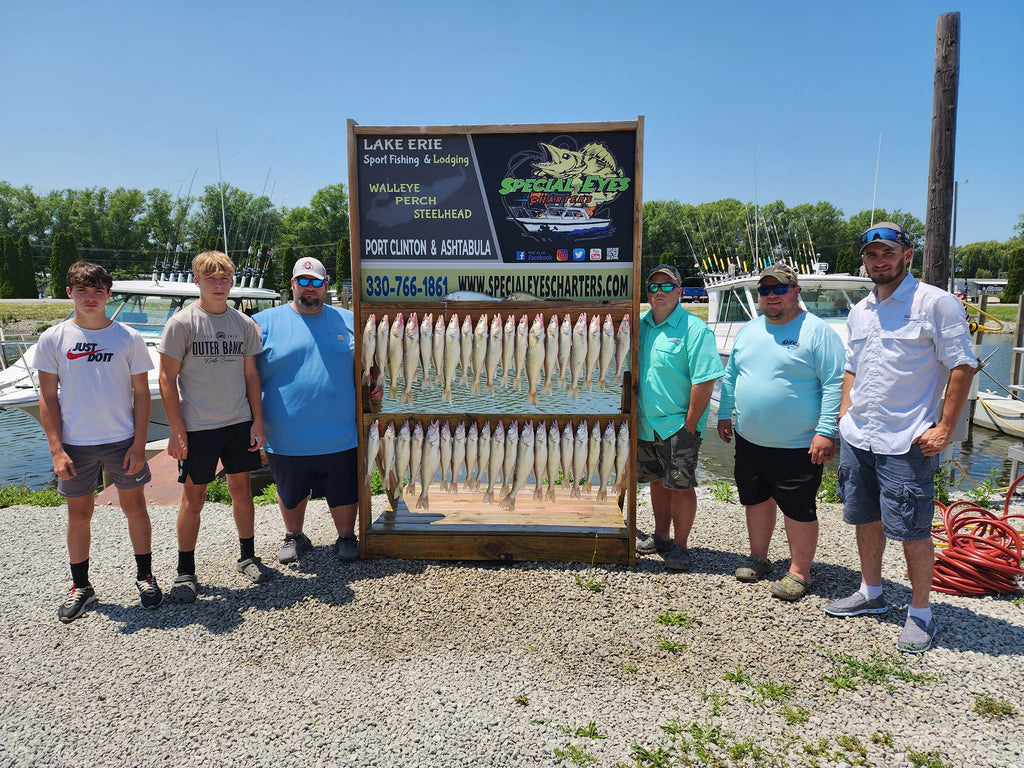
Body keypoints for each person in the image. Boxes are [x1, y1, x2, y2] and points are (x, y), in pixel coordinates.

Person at [825, 222, 976, 653]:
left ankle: (921, 613)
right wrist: (843, 415)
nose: (879, 260)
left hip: (907, 438)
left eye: (887, 253)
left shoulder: (936, 303)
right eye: (872, 254)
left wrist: (945, 428)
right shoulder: (861, 310)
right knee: (865, 518)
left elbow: (962, 365)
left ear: (907, 255)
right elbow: (852, 367)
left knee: (912, 529)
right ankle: (871, 592)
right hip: (861, 436)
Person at [36, 261, 161, 621]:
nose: (90, 298)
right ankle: (81, 587)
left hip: (122, 441)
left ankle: (145, 576)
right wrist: (56, 449)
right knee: (79, 515)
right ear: (69, 293)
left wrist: (140, 445)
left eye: (98, 291)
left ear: (109, 295)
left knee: (135, 509)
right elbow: (48, 397)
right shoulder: (54, 338)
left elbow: (141, 394)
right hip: (75, 445)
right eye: (82, 291)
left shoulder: (128, 337)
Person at [716, 263, 845, 600]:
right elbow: (731, 377)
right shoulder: (749, 330)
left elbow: (834, 384)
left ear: (795, 291)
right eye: (765, 290)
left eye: (779, 289)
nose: (771, 296)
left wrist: (826, 430)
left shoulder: (818, 332)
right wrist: (725, 414)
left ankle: (799, 572)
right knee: (755, 499)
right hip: (749, 437)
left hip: (799, 442)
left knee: (798, 507)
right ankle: (758, 557)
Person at [158, 250, 272, 603]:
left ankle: (247, 555)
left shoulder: (242, 324)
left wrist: (258, 420)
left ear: (232, 281)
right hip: (198, 427)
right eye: (211, 278)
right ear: (197, 282)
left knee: (242, 490)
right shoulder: (182, 324)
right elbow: (166, 379)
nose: (219, 285)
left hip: (238, 422)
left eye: (224, 278)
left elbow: (252, 375)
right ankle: (185, 571)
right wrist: (176, 430)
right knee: (194, 499)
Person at [253, 257, 380, 564]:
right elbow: (246, 376)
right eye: (303, 282)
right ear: (293, 284)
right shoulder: (262, 323)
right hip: (285, 435)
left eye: (316, 283)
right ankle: (294, 535)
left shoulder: (350, 320)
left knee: (344, 490)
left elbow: (370, 364)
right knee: (290, 490)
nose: (309, 289)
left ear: (326, 287)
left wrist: (377, 380)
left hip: (340, 433)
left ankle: (346, 536)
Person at [635, 264, 725, 571]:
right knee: (657, 483)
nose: (659, 293)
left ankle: (681, 545)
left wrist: (690, 423)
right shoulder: (641, 324)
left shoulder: (694, 329)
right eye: (654, 287)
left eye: (667, 286)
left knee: (682, 486)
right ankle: (660, 536)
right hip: (646, 423)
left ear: (680, 291)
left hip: (678, 424)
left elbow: (705, 379)